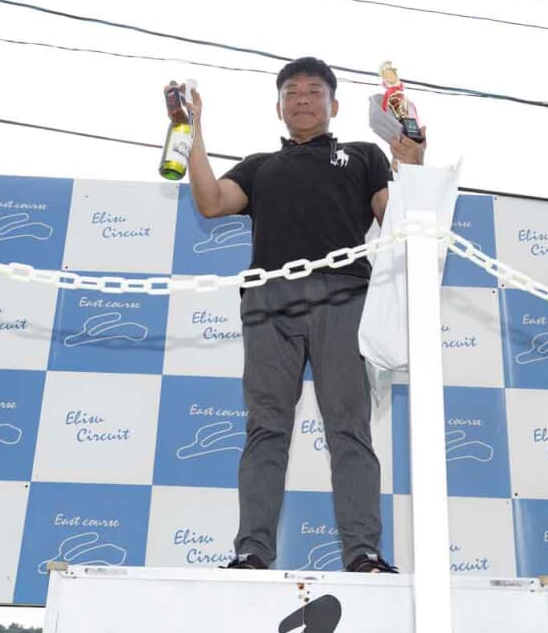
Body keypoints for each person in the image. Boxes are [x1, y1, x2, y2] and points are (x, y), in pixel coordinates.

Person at [183, 56, 427, 573]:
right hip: (268, 301)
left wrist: (412, 164)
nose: (302, 100)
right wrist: (193, 129)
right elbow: (211, 202)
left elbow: (397, 218)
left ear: (334, 105)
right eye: (291, 92)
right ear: (278, 108)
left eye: (314, 91)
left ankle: (363, 553)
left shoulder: (362, 155)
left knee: (349, 428)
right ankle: (251, 552)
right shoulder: (258, 166)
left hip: (344, 297)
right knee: (265, 428)